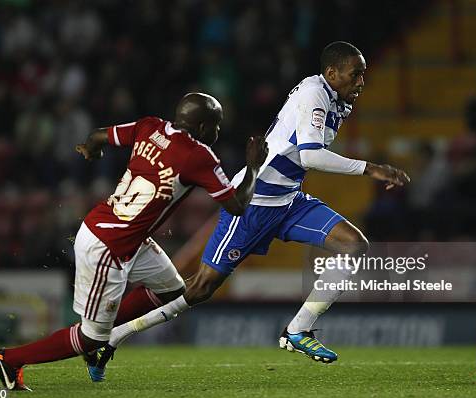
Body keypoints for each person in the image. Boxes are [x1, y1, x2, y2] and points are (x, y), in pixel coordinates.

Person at [91, 41, 410, 377]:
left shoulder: (334, 98)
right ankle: (114, 335)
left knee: (354, 245)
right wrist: (370, 168)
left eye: (363, 74)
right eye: (355, 74)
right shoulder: (315, 94)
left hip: (288, 200)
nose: (361, 81)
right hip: (253, 203)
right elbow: (310, 155)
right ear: (332, 73)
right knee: (200, 289)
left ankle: (298, 330)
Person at [0, 93, 268, 390]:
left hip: (124, 234)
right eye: (216, 125)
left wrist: (91, 150)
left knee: (171, 289)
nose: (218, 132)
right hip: (108, 246)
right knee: (90, 338)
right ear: (201, 127)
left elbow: (96, 136)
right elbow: (237, 205)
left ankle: (106, 332)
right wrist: (253, 167)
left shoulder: (149, 126)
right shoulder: (198, 156)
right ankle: (9, 358)